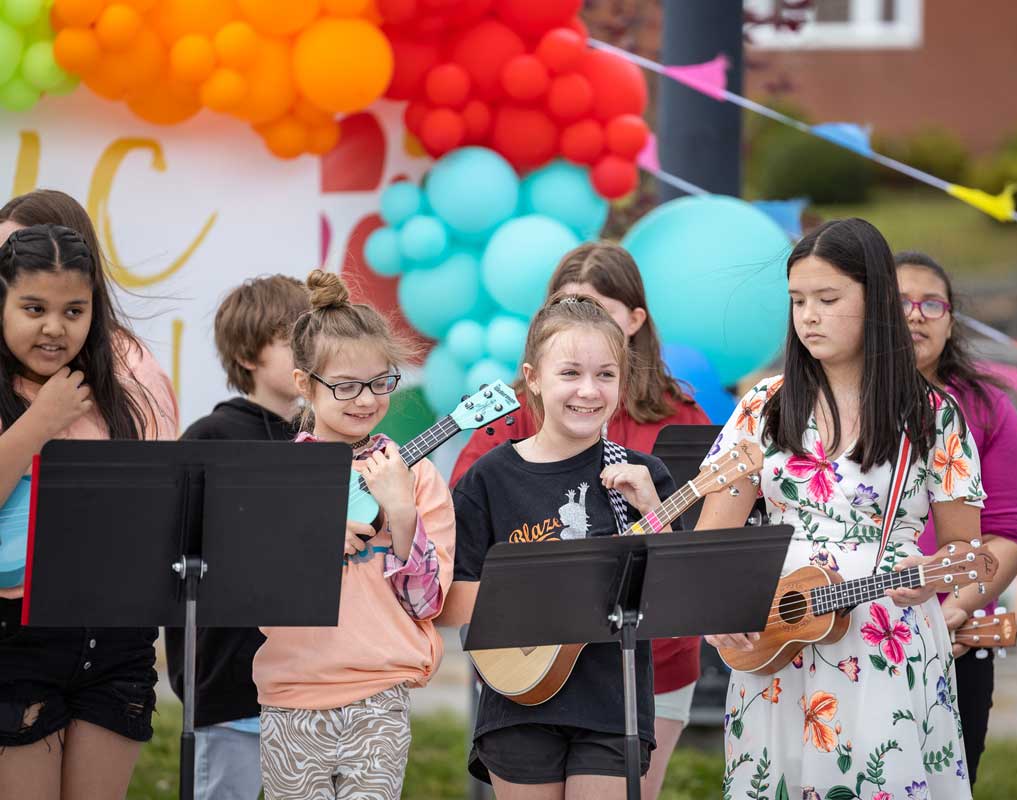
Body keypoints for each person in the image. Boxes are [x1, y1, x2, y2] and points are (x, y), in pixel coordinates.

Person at [698, 219, 984, 798]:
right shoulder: (763, 406)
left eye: (828, 299)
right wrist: (720, 611)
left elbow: (966, 553)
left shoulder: (932, 415)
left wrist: (930, 581)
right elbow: (714, 541)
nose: (808, 316)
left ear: (875, 301)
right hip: (776, 639)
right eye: (798, 301)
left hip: (883, 640)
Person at [449, 242, 708, 798]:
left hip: (613, 703)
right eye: (569, 372)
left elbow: (684, 597)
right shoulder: (489, 478)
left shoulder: (645, 474)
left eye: (605, 375)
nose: (589, 391)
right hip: (517, 700)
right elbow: (450, 597)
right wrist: (537, 597)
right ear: (533, 378)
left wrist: (651, 513)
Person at [253, 269, 455, 799]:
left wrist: (403, 515)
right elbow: (249, 586)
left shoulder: (419, 476)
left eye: (380, 381)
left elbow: (427, 602)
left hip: (379, 694)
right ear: (304, 385)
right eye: (345, 386)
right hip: (292, 694)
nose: (366, 399)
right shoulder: (273, 478)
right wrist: (310, 537)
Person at [0, 215, 178, 800]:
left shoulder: (118, 396)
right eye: (33, 309)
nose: (54, 328)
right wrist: (39, 424)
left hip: (115, 635)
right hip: (18, 637)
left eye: (74, 312)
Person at [164, 274, 309, 800]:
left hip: (307, 685)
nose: (310, 353)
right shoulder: (210, 439)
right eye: (294, 339)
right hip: (228, 686)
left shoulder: (326, 438)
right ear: (248, 355)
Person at [896, 250, 1017, 785]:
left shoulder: (983, 407)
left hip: (957, 635)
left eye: (932, 303)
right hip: (847, 632)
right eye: (901, 302)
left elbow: (1014, 527)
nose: (916, 315)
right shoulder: (832, 401)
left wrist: (953, 611)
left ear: (951, 318)